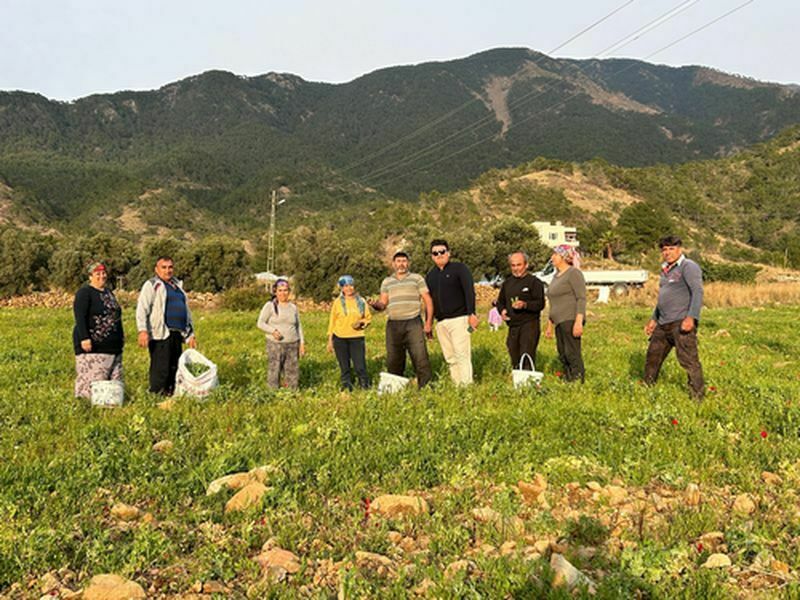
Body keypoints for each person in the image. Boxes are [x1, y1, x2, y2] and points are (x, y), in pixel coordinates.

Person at [644, 235, 705, 399]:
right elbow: (663, 298)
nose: (667, 252)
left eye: (671, 248)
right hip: (663, 323)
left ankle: (697, 396)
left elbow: (697, 292)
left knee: (689, 360)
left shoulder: (688, 266)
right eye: (664, 249)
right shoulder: (664, 270)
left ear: (680, 249)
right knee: (652, 357)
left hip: (681, 322)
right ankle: (647, 389)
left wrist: (691, 317)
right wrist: (653, 319)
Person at [370, 251, 433, 388]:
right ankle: (394, 389)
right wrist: (375, 305)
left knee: (420, 357)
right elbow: (383, 303)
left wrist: (428, 323)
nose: (401, 264)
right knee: (394, 359)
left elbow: (428, 300)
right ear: (393, 264)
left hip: (413, 323)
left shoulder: (417, 278)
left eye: (404, 261)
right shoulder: (387, 281)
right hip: (393, 324)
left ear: (408, 263)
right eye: (398, 261)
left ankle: (426, 388)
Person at [136, 256, 196, 395]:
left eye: (170, 267)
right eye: (164, 267)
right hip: (160, 333)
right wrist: (143, 330)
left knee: (175, 367)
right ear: (156, 269)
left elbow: (186, 312)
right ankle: (156, 396)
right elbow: (142, 308)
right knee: (161, 368)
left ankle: (171, 395)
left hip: (177, 333)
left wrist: (190, 335)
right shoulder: (152, 285)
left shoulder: (178, 287)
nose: (168, 270)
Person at [425, 239, 479, 385]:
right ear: (431, 256)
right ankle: (457, 385)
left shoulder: (459, 269)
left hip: (459, 319)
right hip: (441, 322)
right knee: (450, 357)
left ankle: (467, 386)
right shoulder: (430, 276)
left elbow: (469, 291)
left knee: (462, 354)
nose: (439, 255)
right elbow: (428, 301)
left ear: (448, 253)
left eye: (442, 252)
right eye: (435, 253)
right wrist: (428, 323)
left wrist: (472, 313)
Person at [73, 262, 124, 398]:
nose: (102, 276)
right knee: (93, 382)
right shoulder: (85, 293)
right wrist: (85, 338)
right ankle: (87, 407)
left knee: (112, 384)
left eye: (103, 273)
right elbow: (80, 316)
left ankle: (109, 411)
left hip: (113, 347)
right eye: (97, 274)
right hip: (94, 347)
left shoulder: (108, 293)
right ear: (90, 276)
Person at [496, 251, 546, 370]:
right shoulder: (507, 283)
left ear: (526, 265)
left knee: (526, 355)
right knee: (514, 354)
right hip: (513, 326)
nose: (516, 268)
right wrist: (502, 311)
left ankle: (528, 384)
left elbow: (540, 304)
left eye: (519, 265)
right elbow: (500, 302)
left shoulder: (535, 282)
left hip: (529, 325)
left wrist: (525, 305)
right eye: (513, 265)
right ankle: (518, 383)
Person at [545, 244, 586, 382]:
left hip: (570, 319)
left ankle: (578, 380)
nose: (552, 257)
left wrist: (579, 321)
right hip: (559, 321)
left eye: (555, 255)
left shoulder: (573, 273)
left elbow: (581, 298)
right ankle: (569, 380)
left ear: (563, 257)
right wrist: (549, 324)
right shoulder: (556, 276)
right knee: (562, 353)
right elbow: (553, 301)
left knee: (571, 353)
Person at [257, 278, 305, 389]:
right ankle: (273, 393)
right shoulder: (270, 306)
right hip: (275, 344)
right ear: (275, 291)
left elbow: (298, 326)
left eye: (285, 290)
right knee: (274, 369)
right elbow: (260, 323)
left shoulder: (293, 307)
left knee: (292, 370)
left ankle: (292, 393)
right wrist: (272, 331)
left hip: (293, 343)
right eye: (280, 290)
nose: (283, 293)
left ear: (289, 292)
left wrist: (302, 343)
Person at [327, 275, 372, 390]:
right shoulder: (337, 303)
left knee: (360, 365)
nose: (349, 288)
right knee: (344, 366)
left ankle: (364, 386)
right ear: (342, 288)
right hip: (340, 338)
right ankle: (347, 386)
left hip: (357, 337)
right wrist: (330, 341)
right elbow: (332, 322)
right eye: (346, 286)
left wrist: (362, 323)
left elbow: (368, 318)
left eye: (351, 285)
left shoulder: (361, 301)